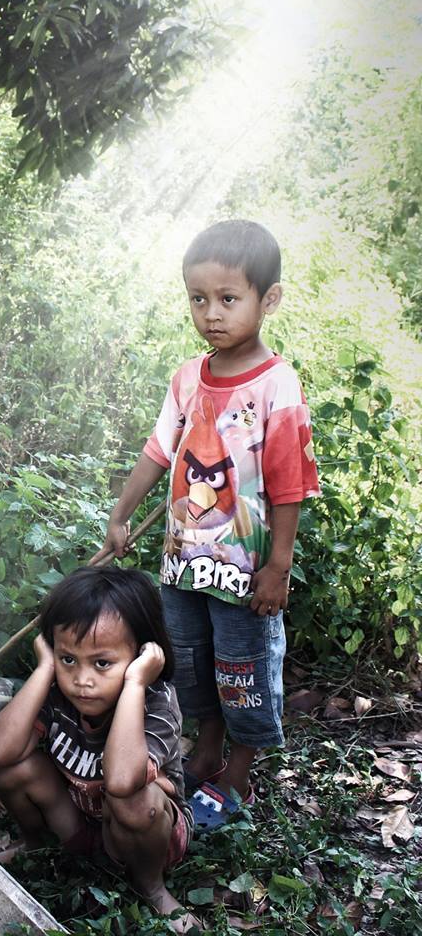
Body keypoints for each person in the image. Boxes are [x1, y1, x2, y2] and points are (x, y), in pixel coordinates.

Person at [91, 219, 320, 831]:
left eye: (228, 298)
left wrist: (278, 566)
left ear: (268, 299)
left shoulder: (278, 385)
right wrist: (120, 515)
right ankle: (206, 749)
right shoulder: (188, 377)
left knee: (242, 667)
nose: (211, 314)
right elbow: (159, 451)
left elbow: (289, 483)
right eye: (199, 299)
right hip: (182, 562)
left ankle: (239, 771)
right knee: (189, 662)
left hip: (244, 571)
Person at [0, 567, 199, 933]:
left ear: (143, 653)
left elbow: (121, 782)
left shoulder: (156, 702)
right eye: (69, 659)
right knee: (13, 767)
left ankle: (151, 887)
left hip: (143, 835)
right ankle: (36, 845)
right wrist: (45, 669)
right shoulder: (58, 690)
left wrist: (134, 683)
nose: (82, 680)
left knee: (134, 799)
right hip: (77, 821)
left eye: (102, 663)